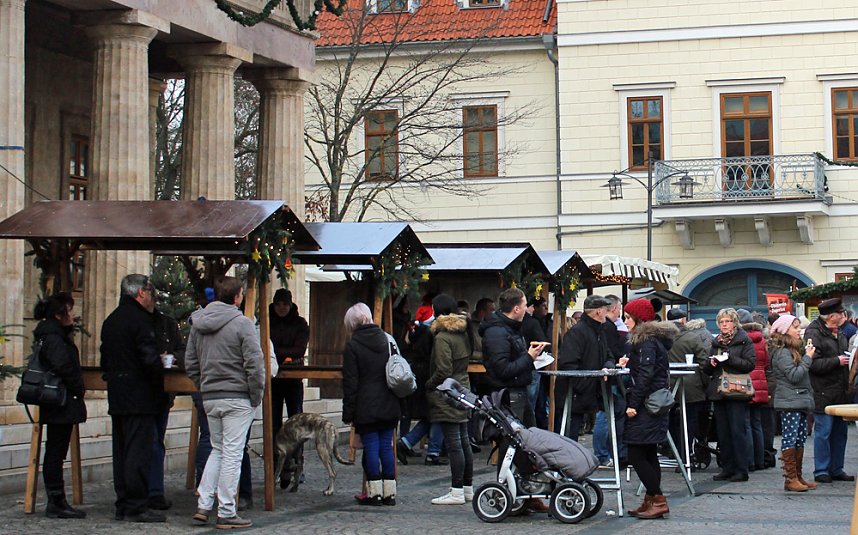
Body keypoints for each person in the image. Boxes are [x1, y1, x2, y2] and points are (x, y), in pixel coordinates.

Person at [185, 276, 265, 529]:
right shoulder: (243, 323)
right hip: (237, 395)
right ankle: (227, 510)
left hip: (210, 395)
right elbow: (255, 363)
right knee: (232, 452)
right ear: (237, 296)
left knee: (218, 450)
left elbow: (190, 363)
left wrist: (203, 385)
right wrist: (256, 394)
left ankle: (204, 504)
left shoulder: (198, 323)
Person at [100, 274, 165, 523]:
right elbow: (149, 360)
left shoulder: (112, 320)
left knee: (122, 451)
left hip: (118, 393)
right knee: (138, 452)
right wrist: (159, 385)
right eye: (151, 293)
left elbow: (105, 358)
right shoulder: (139, 320)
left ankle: (124, 502)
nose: (153, 299)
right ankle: (136, 505)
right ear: (141, 293)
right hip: (139, 394)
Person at [479, 287, 548, 512]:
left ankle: (527, 492)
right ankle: (509, 494)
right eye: (525, 304)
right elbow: (503, 369)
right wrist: (529, 357)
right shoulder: (497, 332)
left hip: (518, 391)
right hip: (508, 394)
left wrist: (528, 355)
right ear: (516, 308)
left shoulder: (510, 328)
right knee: (512, 444)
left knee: (526, 443)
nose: (528, 309)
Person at [621, 299, 677, 520]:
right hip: (651, 403)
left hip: (647, 405)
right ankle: (650, 500)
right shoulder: (649, 342)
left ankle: (658, 499)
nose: (625, 321)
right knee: (648, 452)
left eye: (627, 317)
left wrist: (633, 404)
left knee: (636, 453)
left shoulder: (646, 342)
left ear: (639, 319)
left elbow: (646, 375)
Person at [33, 293, 87, 519]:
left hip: (60, 399)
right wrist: (77, 386)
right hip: (59, 399)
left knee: (57, 449)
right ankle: (56, 499)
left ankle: (58, 499)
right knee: (55, 450)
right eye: (69, 310)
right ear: (59, 314)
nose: (72, 315)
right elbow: (62, 364)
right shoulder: (53, 336)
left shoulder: (53, 333)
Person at [342, 303, 401, 506]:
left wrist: (348, 413)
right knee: (386, 446)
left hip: (365, 405)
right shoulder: (387, 339)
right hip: (388, 401)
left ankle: (374, 493)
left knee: (372, 447)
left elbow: (350, 382)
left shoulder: (353, 345)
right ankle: (390, 493)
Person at [426, 294, 475, 505]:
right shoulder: (463, 331)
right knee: (463, 441)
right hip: (463, 386)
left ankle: (456, 490)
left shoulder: (442, 337)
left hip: (449, 391)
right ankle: (466, 488)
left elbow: (443, 370)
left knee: (455, 443)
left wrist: (429, 384)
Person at [702, 308, 756, 482]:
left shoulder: (743, 340)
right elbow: (706, 369)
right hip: (719, 390)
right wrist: (711, 363)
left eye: (727, 321)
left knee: (737, 431)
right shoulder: (716, 341)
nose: (724, 325)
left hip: (736, 391)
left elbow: (749, 364)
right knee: (723, 432)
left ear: (735, 322)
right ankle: (727, 467)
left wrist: (728, 359)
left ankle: (742, 469)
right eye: (721, 322)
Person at [805, 297, 854, 483]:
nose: (844, 316)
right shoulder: (813, 332)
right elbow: (812, 363)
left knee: (840, 432)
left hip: (840, 391)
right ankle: (822, 470)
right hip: (822, 391)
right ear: (832, 316)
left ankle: (836, 468)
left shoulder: (838, 332)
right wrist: (836, 361)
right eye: (841, 313)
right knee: (824, 432)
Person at [554, 294, 614, 441]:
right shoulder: (577, 332)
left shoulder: (599, 331)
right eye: (606, 309)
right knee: (569, 437)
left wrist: (607, 367)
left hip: (589, 392)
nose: (608, 312)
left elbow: (609, 356)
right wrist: (585, 384)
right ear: (598, 311)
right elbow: (568, 364)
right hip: (574, 394)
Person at [769, 314, 817, 492]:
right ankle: (790, 478)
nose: (799, 330)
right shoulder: (782, 352)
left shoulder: (793, 350)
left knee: (800, 438)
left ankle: (798, 475)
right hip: (790, 400)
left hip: (799, 399)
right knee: (790, 438)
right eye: (795, 327)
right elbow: (794, 376)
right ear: (784, 330)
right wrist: (808, 358)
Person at [268, 289, 309, 487]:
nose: (282, 308)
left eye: (285, 304)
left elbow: (299, 349)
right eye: (278, 304)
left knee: (296, 424)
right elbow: (264, 347)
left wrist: (277, 354)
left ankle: (297, 463)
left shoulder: (300, 324)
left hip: (293, 379)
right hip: (273, 380)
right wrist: (282, 355)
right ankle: (277, 465)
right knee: (273, 424)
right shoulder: (267, 323)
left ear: (290, 304)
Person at [148, 307, 184, 511]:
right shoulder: (137, 323)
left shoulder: (168, 324)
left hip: (162, 391)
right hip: (142, 391)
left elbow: (182, 349)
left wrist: (171, 356)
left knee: (156, 442)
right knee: (149, 442)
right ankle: (147, 490)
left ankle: (155, 491)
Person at [666, 309, 710, 462]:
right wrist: (706, 384)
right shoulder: (693, 338)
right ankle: (686, 454)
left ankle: (673, 451)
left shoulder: (662, 338)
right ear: (684, 320)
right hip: (691, 385)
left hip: (667, 385)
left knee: (670, 419)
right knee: (689, 421)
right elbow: (704, 362)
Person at [593, 295, 628, 468]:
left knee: (608, 411)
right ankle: (602, 454)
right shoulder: (608, 327)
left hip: (606, 371)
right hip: (607, 374)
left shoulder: (602, 326)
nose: (620, 314)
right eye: (620, 310)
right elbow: (611, 350)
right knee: (606, 412)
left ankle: (604, 452)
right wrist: (615, 363)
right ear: (614, 309)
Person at [737, 308, 771, 472]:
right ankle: (760, 460)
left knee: (746, 424)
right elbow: (766, 363)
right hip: (761, 383)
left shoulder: (742, 339)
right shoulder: (762, 339)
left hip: (746, 382)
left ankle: (749, 461)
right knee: (757, 423)